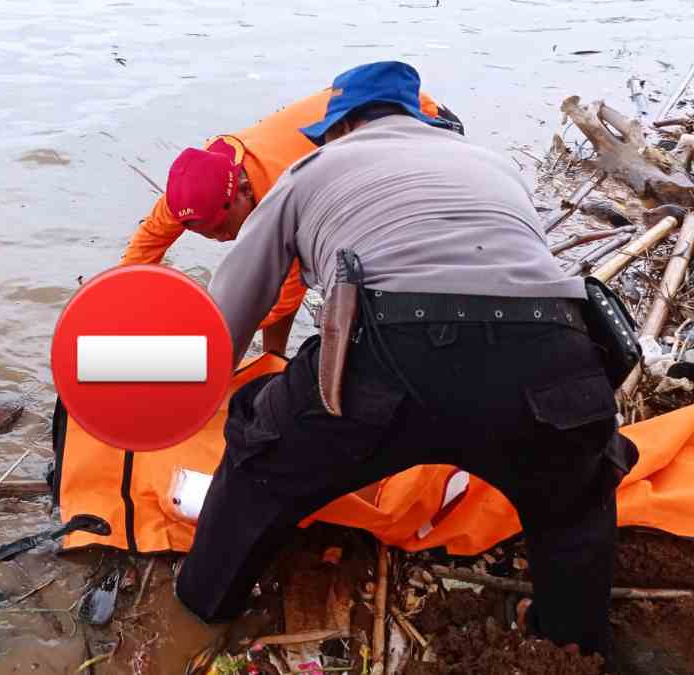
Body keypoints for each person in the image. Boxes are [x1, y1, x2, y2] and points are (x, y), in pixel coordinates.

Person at [174, 61, 637, 661]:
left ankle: (203, 606)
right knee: (577, 503)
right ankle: (569, 647)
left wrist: (153, 384)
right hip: (553, 356)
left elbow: (224, 323)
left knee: (259, 462)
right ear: (420, 117)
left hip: (390, 356)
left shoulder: (310, 170)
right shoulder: (493, 165)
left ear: (341, 128)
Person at [119, 89, 462, 356]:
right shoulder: (192, 187)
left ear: (241, 191)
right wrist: (118, 304)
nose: (223, 240)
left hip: (417, 119)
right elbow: (145, 246)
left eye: (224, 228)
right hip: (347, 118)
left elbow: (285, 290)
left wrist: (218, 333)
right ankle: (274, 358)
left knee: (376, 251)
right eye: (208, 235)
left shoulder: (284, 193)